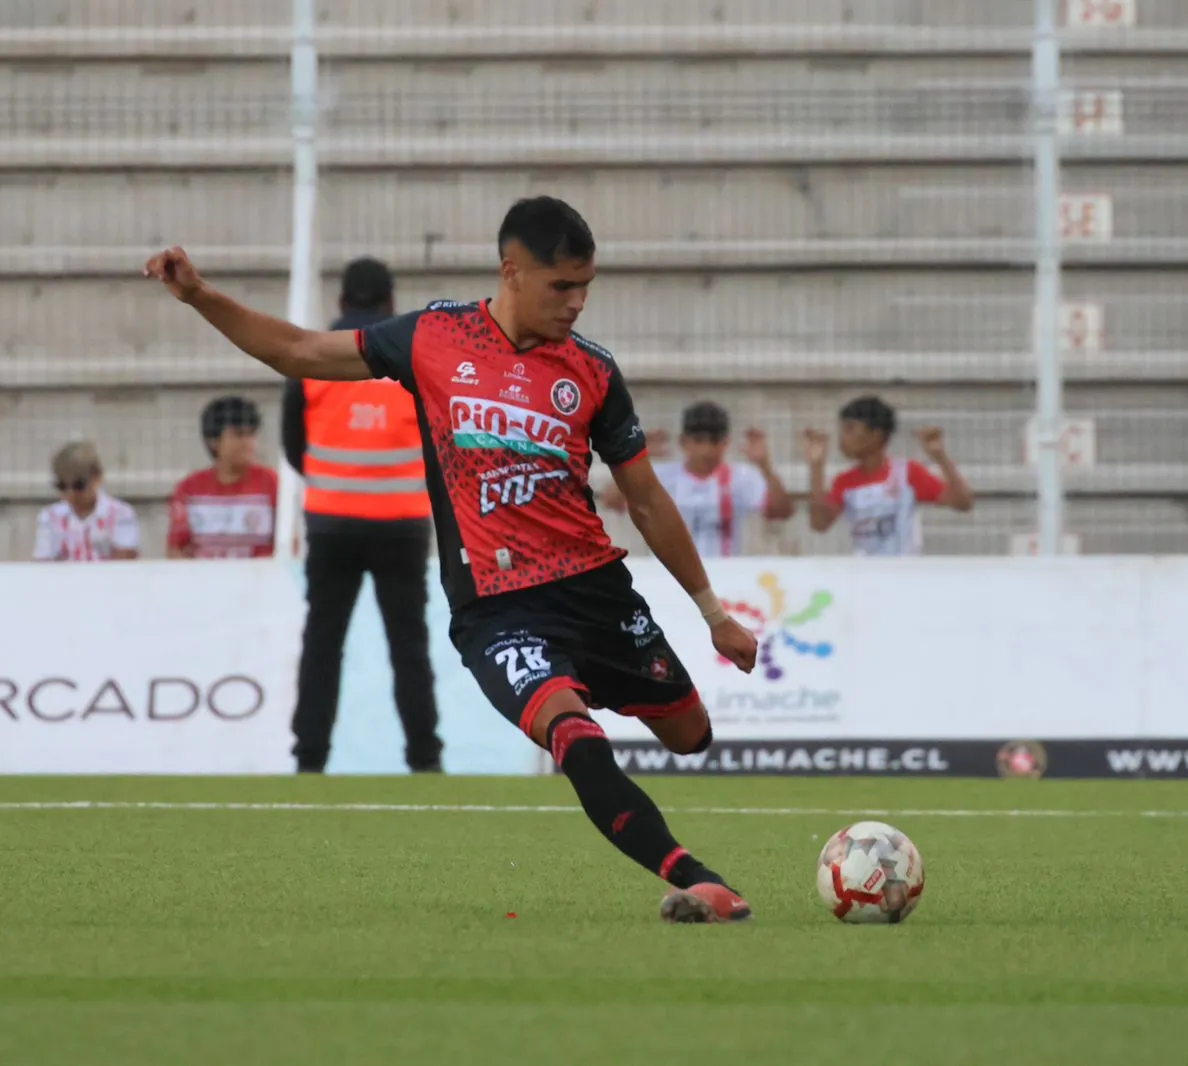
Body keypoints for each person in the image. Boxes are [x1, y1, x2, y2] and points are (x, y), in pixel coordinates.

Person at [144, 196, 760, 923]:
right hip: (497, 606)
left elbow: (648, 498)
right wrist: (199, 297)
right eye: (562, 286)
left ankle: (602, 688)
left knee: (690, 736)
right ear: (512, 272)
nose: (577, 302)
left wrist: (713, 614)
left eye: (586, 286)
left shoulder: (591, 371)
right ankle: (696, 877)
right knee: (572, 734)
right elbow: (299, 352)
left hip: (596, 590)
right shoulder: (435, 338)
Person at [280, 258, 443, 775]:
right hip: (403, 523)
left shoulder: (315, 354)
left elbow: (293, 445)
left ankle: (310, 758)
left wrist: (335, 481)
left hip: (331, 522)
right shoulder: (411, 358)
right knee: (409, 646)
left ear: (341, 302)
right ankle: (424, 758)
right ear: (391, 302)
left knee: (323, 644)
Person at [603, 400, 793, 556]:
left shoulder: (740, 477)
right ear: (684, 442)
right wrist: (636, 458)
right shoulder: (661, 476)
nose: (707, 450)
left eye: (715, 441)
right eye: (699, 441)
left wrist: (765, 466)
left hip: (724, 579)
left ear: (726, 443)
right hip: (667, 580)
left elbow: (781, 511)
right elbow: (611, 501)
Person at [805, 395, 974, 555]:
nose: (842, 438)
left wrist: (940, 456)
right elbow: (819, 524)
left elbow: (963, 502)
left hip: (904, 574)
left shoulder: (906, 473)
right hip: (866, 575)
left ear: (875, 435)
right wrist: (816, 468)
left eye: (850, 429)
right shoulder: (845, 482)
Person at [167, 395, 279, 559]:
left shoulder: (272, 483)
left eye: (251, 434)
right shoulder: (190, 489)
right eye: (238, 435)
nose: (248, 443)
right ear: (213, 441)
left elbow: (289, 545)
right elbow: (176, 548)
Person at [33, 441, 141, 562]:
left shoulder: (121, 514)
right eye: (62, 486)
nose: (70, 494)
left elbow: (125, 565)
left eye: (79, 485)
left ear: (97, 478)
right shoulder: (49, 517)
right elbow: (42, 566)